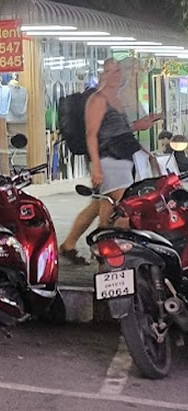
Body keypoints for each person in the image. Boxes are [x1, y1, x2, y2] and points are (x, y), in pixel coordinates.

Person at [59, 57, 162, 264]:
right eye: (109, 72)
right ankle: (107, 256)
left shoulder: (116, 98)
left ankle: (71, 246)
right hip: (109, 160)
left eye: (117, 71)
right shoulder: (98, 100)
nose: (115, 76)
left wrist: (138, 127)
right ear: (102, 75)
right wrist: (97, 166)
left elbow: (116, 130)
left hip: (122, 159)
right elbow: (91, 134)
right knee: (121, 210)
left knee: (102, 206)